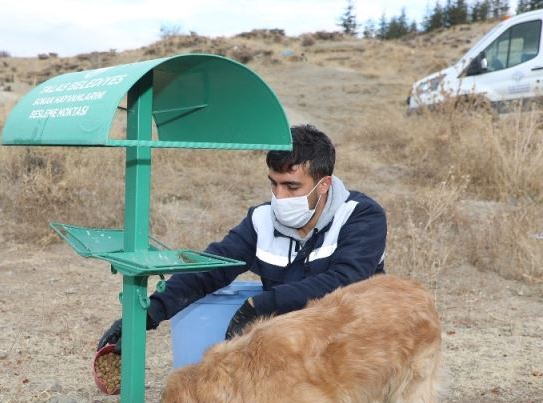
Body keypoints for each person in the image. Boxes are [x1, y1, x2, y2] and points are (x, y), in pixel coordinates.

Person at [97, 124, 387, 352]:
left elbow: (345, 281)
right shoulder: (262, 220)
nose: (279, 196)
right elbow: (211, 268)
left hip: (350, 341)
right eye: (273, 184)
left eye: (291, 186)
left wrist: (262, 304)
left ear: (323, 185)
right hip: (294, 341)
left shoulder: (360, 217)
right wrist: (148, 315)